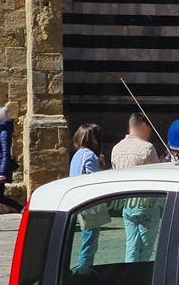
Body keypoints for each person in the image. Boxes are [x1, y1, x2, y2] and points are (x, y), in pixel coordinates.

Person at [111, 113, 163, 261]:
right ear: (142, 127)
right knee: (146, 248)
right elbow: (159, 174)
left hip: (126, 203)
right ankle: (142, 277)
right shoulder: (146, 148)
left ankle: (130, 277)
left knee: (131, 246)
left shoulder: (116, 149)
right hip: (146, 203)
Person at [70, 124, 110, 269]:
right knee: (90, 242)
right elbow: (95, 180)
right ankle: (84, 269)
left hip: (77, 200)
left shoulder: (77, 154)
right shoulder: (90, 156)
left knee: (87, 240)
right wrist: (103, 167)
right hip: (90, 204)